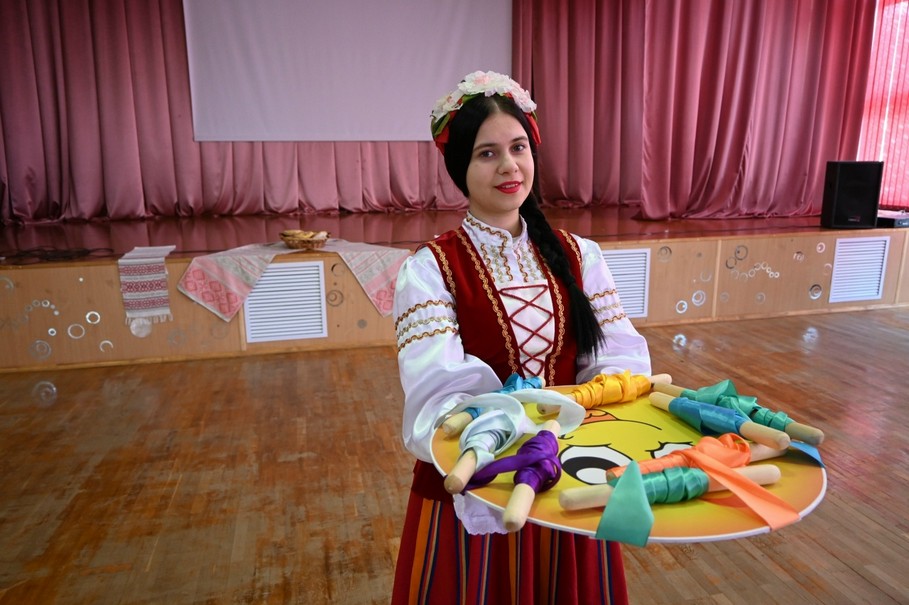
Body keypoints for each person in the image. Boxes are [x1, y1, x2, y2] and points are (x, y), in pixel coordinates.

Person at [391, 70, 652, 605]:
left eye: (518, 148)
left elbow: (617, 359)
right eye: (487, 154)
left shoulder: (579, 254)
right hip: (483, 470)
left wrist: (580, 422)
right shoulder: (431, 268)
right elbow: (440, 392)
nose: (509, 166)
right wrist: (517, 432)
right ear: (460, 170)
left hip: (568, 467)